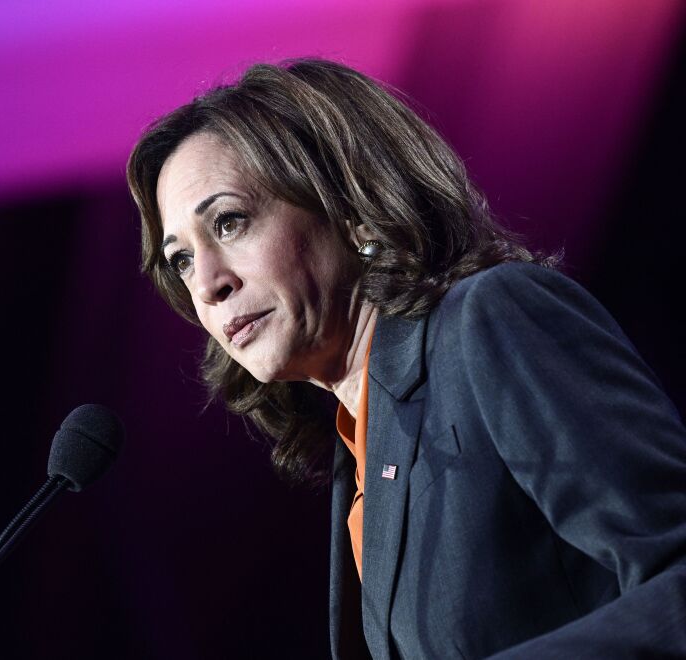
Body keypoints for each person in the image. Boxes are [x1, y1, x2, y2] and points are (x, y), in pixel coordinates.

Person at [126, 58, 686, 659]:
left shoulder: (489, 319)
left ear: (350, 207)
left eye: (229, 222)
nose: (207, 283)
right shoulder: (360, 445)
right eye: (181, 258)